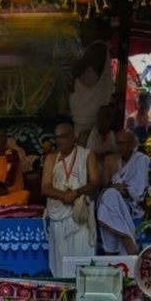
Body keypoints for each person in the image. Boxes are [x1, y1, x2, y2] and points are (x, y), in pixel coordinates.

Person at [42, 117, 99, 278]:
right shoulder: (51, 159)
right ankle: (63, 291)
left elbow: (95, 182)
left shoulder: (87, 155)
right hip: (58, 214)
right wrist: (64, 195)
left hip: (79, 212)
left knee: (82, 256)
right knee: (61, 259)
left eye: (64, 136)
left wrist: (76, 193)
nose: (60, 140)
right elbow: (45, 187)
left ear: (73, 135)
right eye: (57, 137)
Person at [97, 130, 148, 256]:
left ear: (132, 144)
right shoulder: (109, 160)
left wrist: (126, 190)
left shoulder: (140, 160)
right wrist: (114, 186)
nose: (120, 147)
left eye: (124, 143)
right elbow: (104, 185)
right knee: (110, 194)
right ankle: (127, 239)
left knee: (104, 210)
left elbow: (139, 191)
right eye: (118, 143)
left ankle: (110, 250)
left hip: (132, 203)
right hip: (114, 200)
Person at [69, 17, 113, 141]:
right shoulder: (97, 49)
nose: (81, 31)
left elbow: (74, 70)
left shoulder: (97, 48)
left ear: (95, 30)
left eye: (85, 27)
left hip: (88, 118)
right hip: (85, 117)